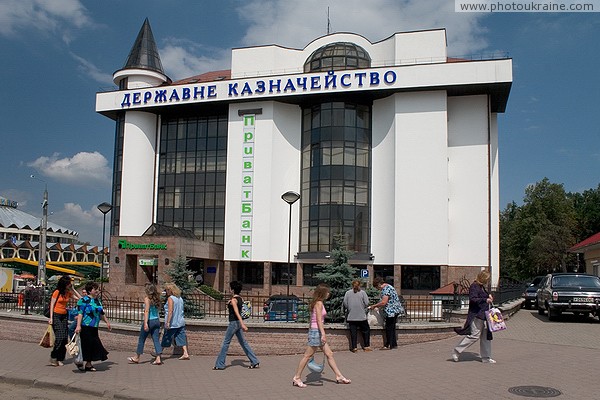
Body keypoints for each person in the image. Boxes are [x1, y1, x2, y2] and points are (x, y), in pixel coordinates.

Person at [292, 284, 351, 388]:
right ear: (323, 293)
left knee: (329, 354)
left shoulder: (318, 303)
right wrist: (323, 334)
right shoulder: (318, 303)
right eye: (327, 292)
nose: (329, 294)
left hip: (315, 331)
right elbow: (319, 320)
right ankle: (297, 377)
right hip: (317, 332)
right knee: (307, 356)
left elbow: (312, 320)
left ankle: (339, 376)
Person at [451, 270, 496, 363]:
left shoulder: (481, 287)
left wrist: (489, 297)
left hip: (485, 315)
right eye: (487, 279)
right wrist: (485, 300)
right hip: (477, 315)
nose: (488, 281)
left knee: (485, 336)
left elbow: (482, 297)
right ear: (483, 278)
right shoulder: (474, 286)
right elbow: (473, 299)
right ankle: (456, 351)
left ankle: (486, 357)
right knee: (474, 336)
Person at [213, 281, 260, 370]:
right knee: (243, 343)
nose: (230, 290)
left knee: (225, 343)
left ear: (233, 289)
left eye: (230, 288)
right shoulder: (240, 299)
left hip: (234, 323)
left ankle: (220, 364)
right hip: (237, 323)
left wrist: (243, 324)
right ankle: (254, 361)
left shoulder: (234, 300)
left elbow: (237, 312)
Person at [75, 281, 111, 372]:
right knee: (87, 345)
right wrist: (78, 326)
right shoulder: (83, 301)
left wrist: (107, 322)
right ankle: (85, 363)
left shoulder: (97, 301)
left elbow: (101, 313)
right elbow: (80, 314)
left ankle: (88, 363)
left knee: (92, 344)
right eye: (96, 289)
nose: (97, 291)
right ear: (90, 290)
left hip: (94, 326)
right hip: (85, 326)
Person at [48, 275, 81, 366]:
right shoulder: (57, 292)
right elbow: (52, 305)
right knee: (59, 337)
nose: (69, 285)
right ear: (64, 284)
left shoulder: (68, 293)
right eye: (68, 283)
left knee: (64, 338)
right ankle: (54, 357)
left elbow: (80, 299)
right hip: (56, 315)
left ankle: (60, 358)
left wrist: (73, 289)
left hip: (64, 315)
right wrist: (51, 318)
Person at [127, 283, 163, 365]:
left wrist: (146, 323)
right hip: (156, 320)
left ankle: (137, 357)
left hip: (150, 320)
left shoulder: (147, 299)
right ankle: (158, 358)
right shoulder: (157, 299)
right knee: (156, 340)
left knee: (142, 339)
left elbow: (146, 311)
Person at [368, 277, 403, 350]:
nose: (378, 289)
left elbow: (384, 302)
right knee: (392, 327)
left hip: (391, 311)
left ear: (379, 284)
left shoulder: (385, 289)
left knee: (389, 328)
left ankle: (388, 344)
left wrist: (374, 306)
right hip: (395, 310)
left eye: (377, 287)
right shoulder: (390, 287)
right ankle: (393, 344)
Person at [161, 283, 190, 360]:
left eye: (167, 290)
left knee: (166, 337)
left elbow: (170, 311)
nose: (166, 291)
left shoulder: (171, 298)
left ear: (170, 290)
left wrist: (167, 322)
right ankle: (185, 353)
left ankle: (159, 352)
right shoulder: (180, 298)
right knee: (181, 337)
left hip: (172, 323)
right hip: (180, 322)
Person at [342, 280, 371, 352]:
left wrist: (350, 308)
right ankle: (366, 346)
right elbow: (367, 303)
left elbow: (345, 303)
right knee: (366, 331)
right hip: (361, 316)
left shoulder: (348, 293)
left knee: (353, 333)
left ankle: (354, 347)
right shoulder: (363, 293)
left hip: (351, 316)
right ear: (360, 285)